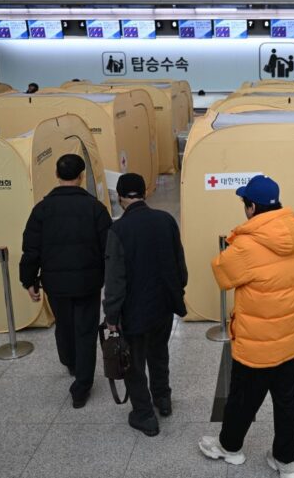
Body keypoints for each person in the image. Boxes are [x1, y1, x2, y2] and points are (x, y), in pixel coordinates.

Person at [199, 175, 294, 478]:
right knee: (288, 401)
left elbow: (222, 273)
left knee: (242, 397)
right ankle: (286, 462)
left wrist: (235, 239)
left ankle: (229, 448)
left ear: (251, 207)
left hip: (256, 341)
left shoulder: (246, 245)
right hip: (287, 337)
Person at [19, 154, 111, 408]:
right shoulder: (95, 208)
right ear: (81, 177)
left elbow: (31, 249)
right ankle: (82, 386)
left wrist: (29, 280)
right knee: (85, 329)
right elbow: (109, 250)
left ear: (56, 176)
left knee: (64, 324)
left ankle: (70, 362)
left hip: (54, 283)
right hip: (88, 283)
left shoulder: (42, 209)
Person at [103, 173, 188, 437]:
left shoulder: (118, 230)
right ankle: (163, 400)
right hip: (163, 307)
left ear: (119, 198)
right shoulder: (166, 220)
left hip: (134, 312)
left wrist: (111, 314)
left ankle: (144, 415)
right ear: (144, 194)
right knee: (159, 353)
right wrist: (176, 291)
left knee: (134, 364)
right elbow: (180, 267)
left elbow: (115, 278)